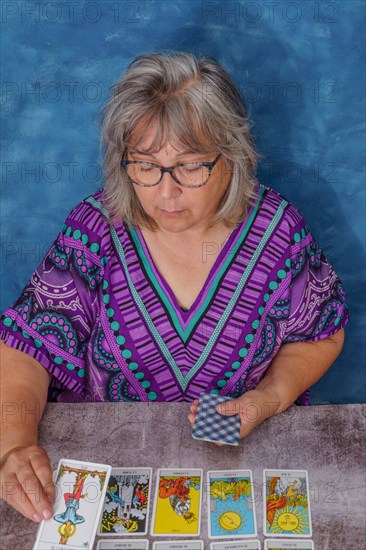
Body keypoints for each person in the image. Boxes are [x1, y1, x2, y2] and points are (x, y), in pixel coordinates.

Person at [0, 52, 349, 523]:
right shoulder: (95, 229)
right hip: (108, 462)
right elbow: (28, 346)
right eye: (144, 165)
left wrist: (269, 397)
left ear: (233, 155)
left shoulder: (278, 232)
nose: (165, 192)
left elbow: (319, 332)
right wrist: (14, 445)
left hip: (241, 464)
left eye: (189, 167)